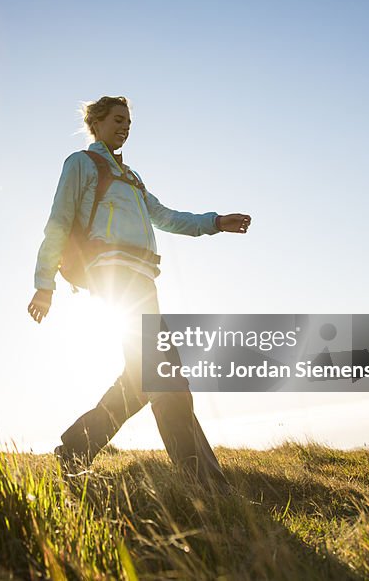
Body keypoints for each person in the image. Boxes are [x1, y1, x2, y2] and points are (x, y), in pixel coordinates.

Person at [27, 96, 252, 491]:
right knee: (166, 375)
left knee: (140, 380)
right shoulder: (81, 164)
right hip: (115, 277)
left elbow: (165, 217)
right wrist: (44, 285)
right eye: (118, 119)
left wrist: (215, 222)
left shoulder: (131, 177)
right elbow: (59, 223)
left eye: (129, 122)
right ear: (95, 122)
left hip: (142, 280)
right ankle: (205, 483)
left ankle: (76, 449)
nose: (125, 127)